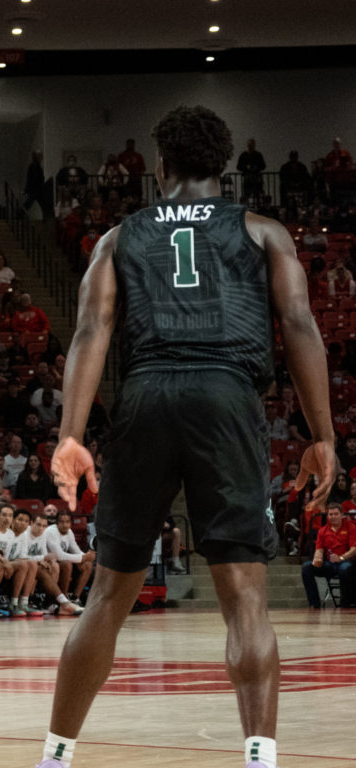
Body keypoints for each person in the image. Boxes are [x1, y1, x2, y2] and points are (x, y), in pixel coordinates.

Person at [32, 106, 334, 768]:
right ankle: (259, 757)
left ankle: (54, 758)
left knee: (108, 595)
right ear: (224, 167)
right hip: (227, 396)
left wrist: (71, 434)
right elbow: (300, 323)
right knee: (245, 599)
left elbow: (89, 331)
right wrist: (323, 435)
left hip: (146, 394)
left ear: (159, 168)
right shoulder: (262, 230)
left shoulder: (118, 237)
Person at [301, 503, 356, 608]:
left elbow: (354, 549)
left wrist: (341, 557)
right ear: (327, 516)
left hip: (346, 561)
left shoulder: (351, 527)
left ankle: (345, 604)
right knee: (307, 567)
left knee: (345, 569)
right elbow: (319, 549)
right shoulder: (323, 530)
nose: (333, 517)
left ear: (341, 515)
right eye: (330, 514)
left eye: (336, 514)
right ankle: (314, 604)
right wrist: (317, 558)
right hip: (329, 563)